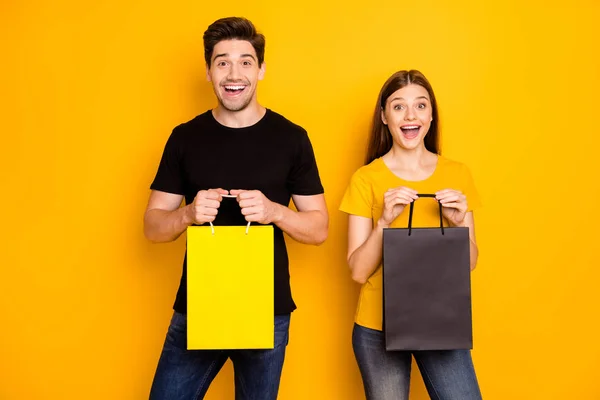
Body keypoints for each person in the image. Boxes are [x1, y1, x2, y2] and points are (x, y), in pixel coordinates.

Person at [144, 16, 328, 400]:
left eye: (245, 61)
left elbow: (319, 229)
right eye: (222, 61)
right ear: (208, 71)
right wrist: (188, 213)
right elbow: (152, 226)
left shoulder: (292, 138)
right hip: (198, 306)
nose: (234, 72)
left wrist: (274, 211)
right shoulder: (184, 137)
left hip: (267, 310)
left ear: (261, 70)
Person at [339, 69, 482, 400]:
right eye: (399, 106)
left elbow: (471, 262)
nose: (410, 115)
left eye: (420, 105)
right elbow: (358, 271)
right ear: (384, 117)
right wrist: (384, 223)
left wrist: (460, 223)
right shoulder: (366, 178)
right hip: (377, 327)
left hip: (441, 321)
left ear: (431, 116)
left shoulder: (456, 174)